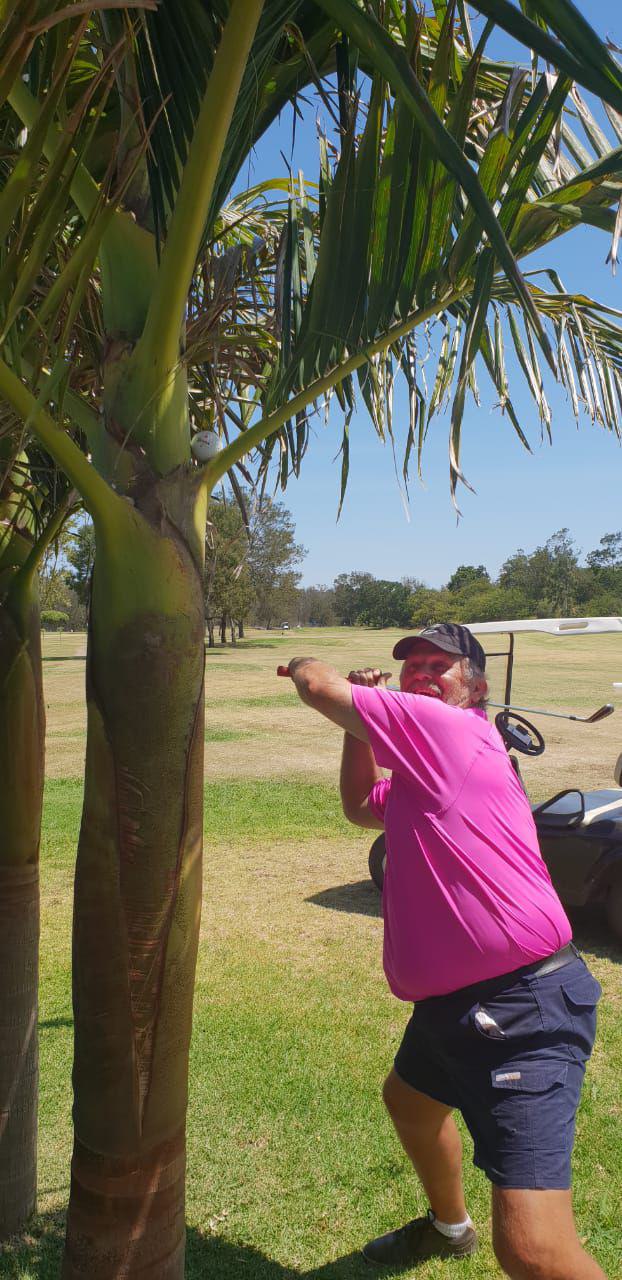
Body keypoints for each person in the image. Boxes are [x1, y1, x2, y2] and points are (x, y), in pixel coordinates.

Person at [278, 623, 606, 1279]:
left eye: (441, 664)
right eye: (412, 664)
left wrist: (301, 660)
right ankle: (449, 1229)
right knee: (410, 1102)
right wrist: (358, 731)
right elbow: (359, 807)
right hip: (450, 1007)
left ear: (474, 687)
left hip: (521, 1009)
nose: (422, 672)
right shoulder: (427, 769)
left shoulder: (450, 731)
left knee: (533, 1251)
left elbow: (317, 685)